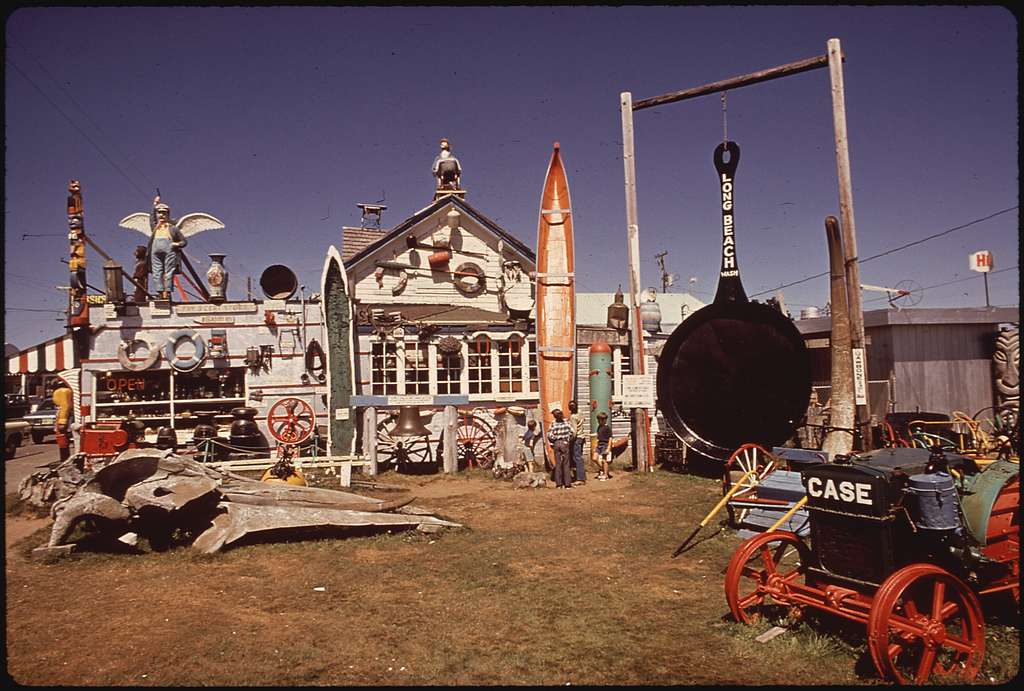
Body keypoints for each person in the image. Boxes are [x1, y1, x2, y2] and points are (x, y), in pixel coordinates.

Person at [148, 195, 188, 300]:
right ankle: (160, 292)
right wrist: (155, 204)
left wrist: (176, 244)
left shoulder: (173, 229)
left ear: (168, 215)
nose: (161, 215)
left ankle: (168, 292)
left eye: (164, 213)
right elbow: (151, 218)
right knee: (157, 272)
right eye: (159, 213)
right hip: (155, 251)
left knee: (169, 271)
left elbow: (184, 242)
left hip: (169, 250)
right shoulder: (155, 227)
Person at [546, 404, 573, 489]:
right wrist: (567, 439)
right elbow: (571, 432)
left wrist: (555, 439)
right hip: (565, 443)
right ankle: (567, 484)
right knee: (566, 463)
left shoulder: (553, 424)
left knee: (558, 464)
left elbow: (549, 435)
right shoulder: (566, 423)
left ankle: (559, 484)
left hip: (557, 443)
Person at [52, 380, 73, 462]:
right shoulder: (67, 391)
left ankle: (64, 459)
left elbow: (65, 406)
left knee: (62, 438)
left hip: (63, 417)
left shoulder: (62, 392)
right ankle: (64, 458)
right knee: (62, 439)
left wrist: (62, 421)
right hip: (63, 415)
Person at [568, 400, 586, 485]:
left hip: (577, 438)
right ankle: (580, 476)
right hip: (582, 436)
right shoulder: (580, 412)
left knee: (577, 458)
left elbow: (574, 432)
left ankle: (580, 478)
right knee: (579, 457)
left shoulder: (573, 417)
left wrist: (570, 440)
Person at [594, 412, 613, 481]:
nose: (598, 422)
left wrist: (608, 448)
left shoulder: (607, 428)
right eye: (598, 420)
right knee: (594, 458)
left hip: (605, 445)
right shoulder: (599, 427)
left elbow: (610, 438)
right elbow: (598, 437)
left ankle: (605, 475)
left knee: (604, 460)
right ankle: (604, 470)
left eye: (600, 420)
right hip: (599, 445)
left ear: (604, 420)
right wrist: (595, 445)